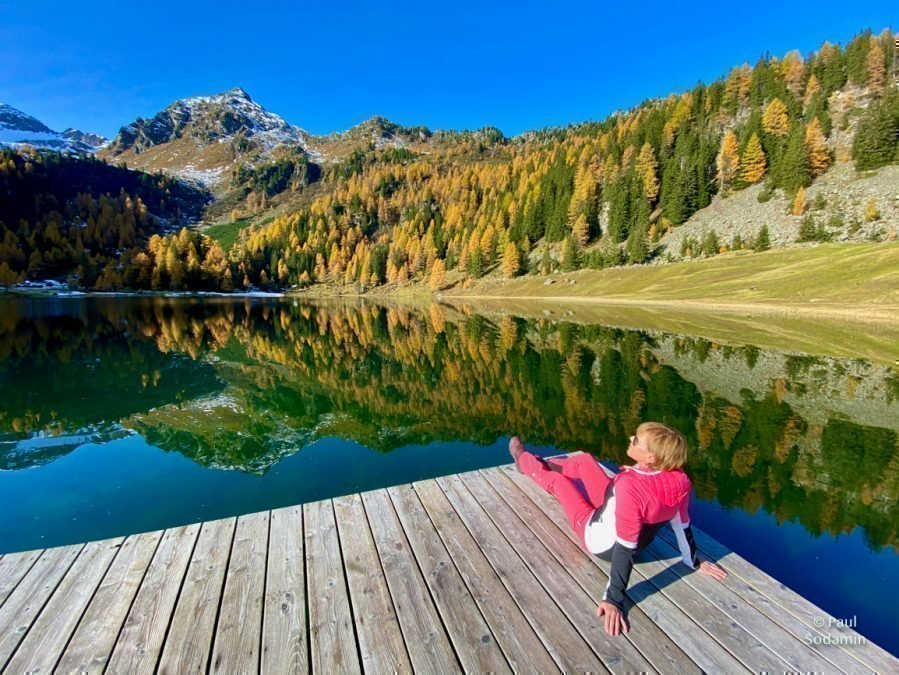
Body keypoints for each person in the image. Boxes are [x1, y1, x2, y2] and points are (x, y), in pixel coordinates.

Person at [509, 422, 727, 637]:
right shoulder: (679, 480)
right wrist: (693, 561)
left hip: (599, 538)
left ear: (651, 457)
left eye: (636, 440)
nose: (630, 438)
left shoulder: (630, 486)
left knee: (558, 483)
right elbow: (682, 524)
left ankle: (523, 460)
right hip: (612, 511)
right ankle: (543, 463)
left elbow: (625, 547)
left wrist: (613, 599)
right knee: (584, 460)